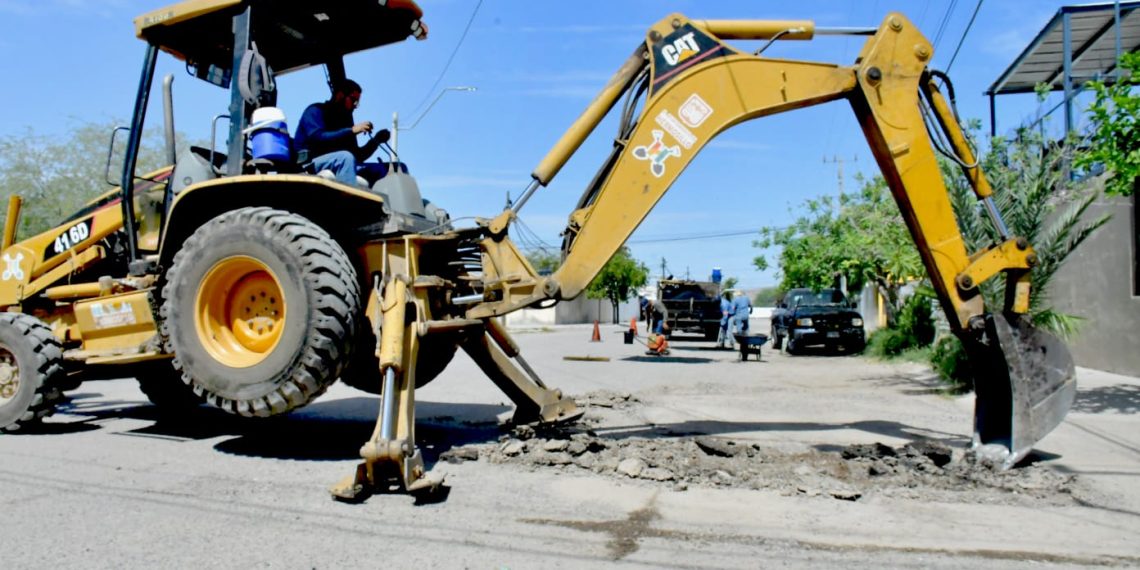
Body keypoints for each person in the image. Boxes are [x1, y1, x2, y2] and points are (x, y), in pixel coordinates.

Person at [293, 79, 407, 186]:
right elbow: (317, 137)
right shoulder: (315, 110)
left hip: (339, 162)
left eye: (357, 102)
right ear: (340, 95)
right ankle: (349, 205)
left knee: (398, 168)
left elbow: (358, 156)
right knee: (345, 158)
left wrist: (376, 140)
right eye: (353, 100)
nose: (355, 105)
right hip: (310, 163)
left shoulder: (344, 122)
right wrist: (352, 130)